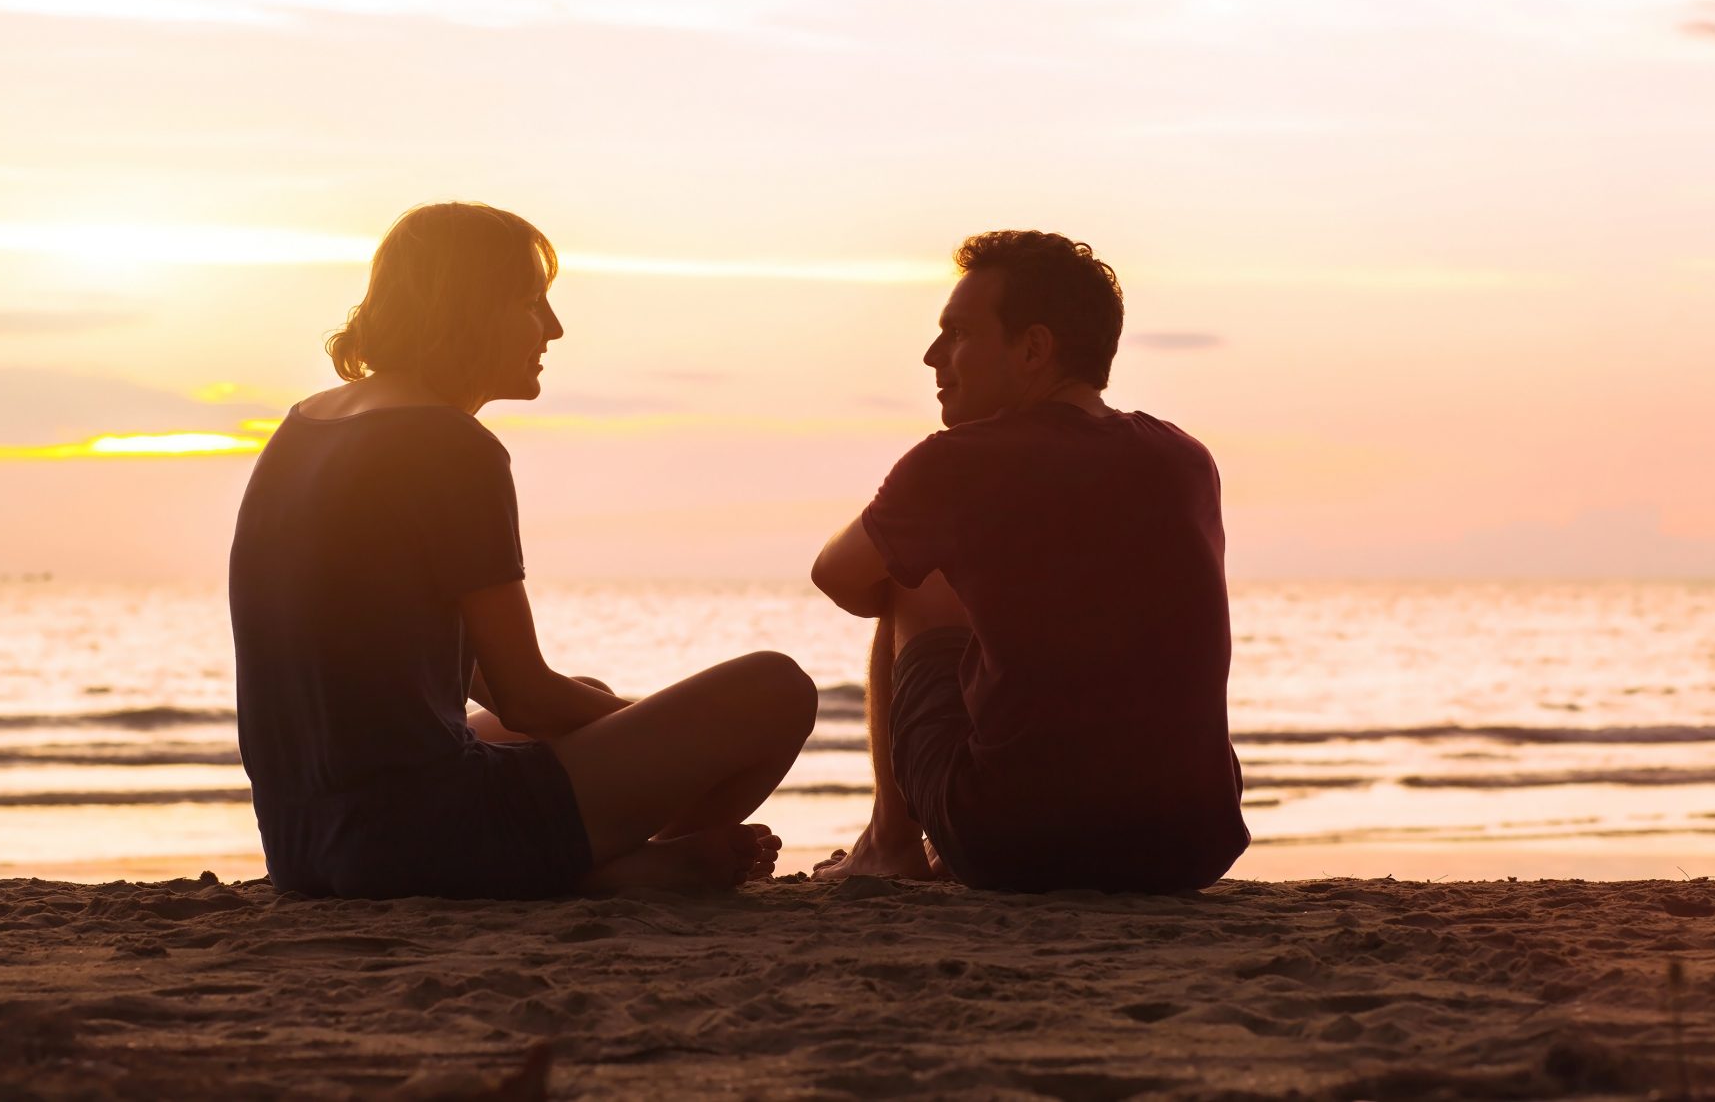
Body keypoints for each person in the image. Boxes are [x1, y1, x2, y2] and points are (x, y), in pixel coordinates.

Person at [230, 202, 815, 899]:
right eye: (534, 303)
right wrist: (684, 739)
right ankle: (614, 868)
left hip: (306, 846)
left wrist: (637, 730)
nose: (556, 328)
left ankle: (604, 860)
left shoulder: (304, 426)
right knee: (774, 690)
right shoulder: (448, 444)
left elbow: (450, 672)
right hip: (415, 840)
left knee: (585, 698)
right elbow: (528, 695)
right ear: (469, 308)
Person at [809, 230, 1247, 893]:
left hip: (1020, 845)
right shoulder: (1186, 458)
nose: (933, 357)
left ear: (1034, 348)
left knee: (909, 574)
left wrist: (946, 568)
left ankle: (887, 841)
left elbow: (839, 574)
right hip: (1190, 844)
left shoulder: (955, 463)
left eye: (956, 333)